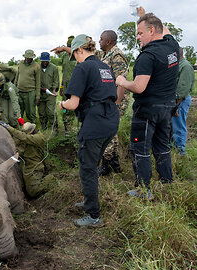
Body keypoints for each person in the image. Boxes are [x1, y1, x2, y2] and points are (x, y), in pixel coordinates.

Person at [115, 6, 180, 198]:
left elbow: (139, 87)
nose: (137, 37)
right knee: (162, 146)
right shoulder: (172, 46)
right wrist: (144, 16)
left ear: (151, 31)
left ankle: (144, 189)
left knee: (140, 148)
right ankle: (167, 182)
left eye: (140, 33)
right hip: (167, 107)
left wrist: (122, 81)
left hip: (147, 111)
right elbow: (163, 28)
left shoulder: (147, 56)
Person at [59, 34, 119, 227]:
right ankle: (88, 201)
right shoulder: (104, 67)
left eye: (74, 54)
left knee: (87, 168)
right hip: (110, 120)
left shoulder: (82, 68)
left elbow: (73, 104)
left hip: (95, 123)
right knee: (92, 163)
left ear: (79, 50)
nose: (74, 59)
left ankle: (93, 215)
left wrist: (61, 104)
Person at [96, 30, 130, 176]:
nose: (99, 41)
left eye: (101, 39)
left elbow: (121, 82)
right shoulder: (105, 54)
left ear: (108, 42)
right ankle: (114, 162)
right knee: (110, 130)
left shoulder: (117, 56)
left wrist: (115, 105)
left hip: (115, 101)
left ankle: (107, 165)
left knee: (107, 130)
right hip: (108, 99)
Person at [0, 121, 51, 198]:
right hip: (25, 165)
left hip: (34, 166)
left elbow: (24, 137)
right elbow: (18, 140)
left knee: (33, 191)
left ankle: (50, 179)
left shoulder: (39, 138)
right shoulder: (28, 138)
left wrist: (8, 127)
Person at [51, 36, 77, 135]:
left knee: (75, 106)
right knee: (65, 107)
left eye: (71, 46)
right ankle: (67, 128)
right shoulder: (65, 56)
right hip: (66, 85)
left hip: (76, 86)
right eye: (68, 46)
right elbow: (64, 72)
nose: (69, 48)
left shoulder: (79, 56)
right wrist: (61, 87)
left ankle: (74, 127)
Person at [171, 47, 194, 155]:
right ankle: (172, 150)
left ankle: (180, 153)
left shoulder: (185, 66)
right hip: (174, 101)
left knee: (178, 126)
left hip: (180, 101)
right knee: (172, 126)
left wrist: (176, 106)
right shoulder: (176, 65)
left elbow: (183, 89)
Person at [14, 49, 41, 123]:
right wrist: (14, 88)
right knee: (19, 110)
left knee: (31, 112)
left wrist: (38, 96)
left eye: (29, 58)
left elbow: (38, 82)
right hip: (19, 91)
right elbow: (17, 76)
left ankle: (33, 126)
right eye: (26, 58)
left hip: (30, 92)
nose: (27, 59)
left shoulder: (36, 66)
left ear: (32, 58)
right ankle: (19, 125)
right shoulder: (20, 63)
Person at [38, 52, 59, 131]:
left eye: (46, 61)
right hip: (40, 93)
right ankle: (44, 127)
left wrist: (54, 90)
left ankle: (55, 127)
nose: (45, 62)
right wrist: (40, 89)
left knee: (51, 112)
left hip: (50, 93)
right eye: (43, 61)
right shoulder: (37, 68)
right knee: (42, 112)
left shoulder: (54, 68)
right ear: (40, 61)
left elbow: (56, 80)